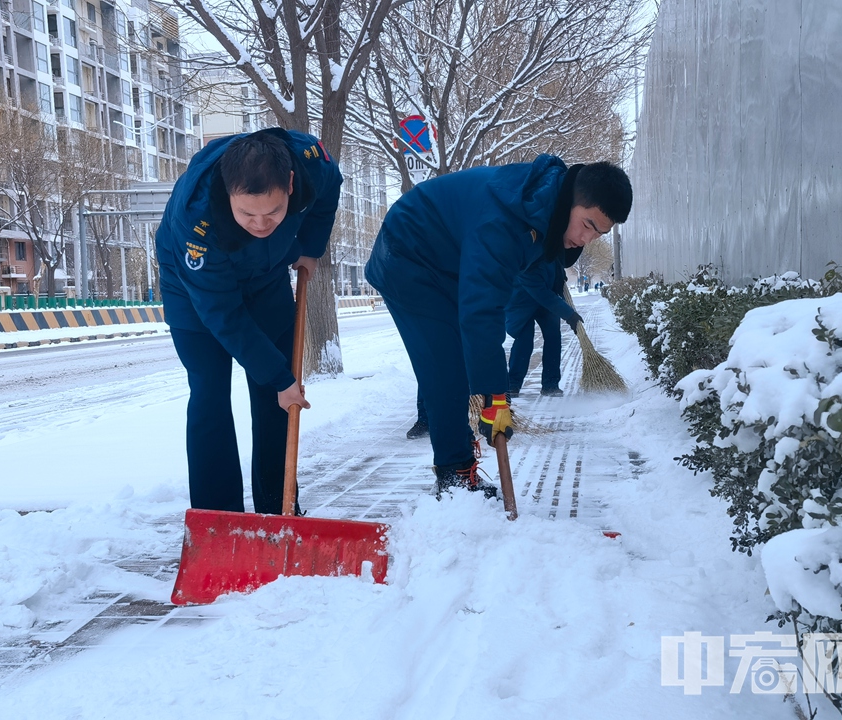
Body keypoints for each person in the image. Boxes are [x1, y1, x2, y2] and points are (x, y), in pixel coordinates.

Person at [365, 160, 631, 496]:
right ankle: (454, 481)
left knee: (461, 362)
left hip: (447, 262)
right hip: (407, 254)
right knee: (446, 368)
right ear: (570, 200)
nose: (586, 239)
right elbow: (482, 310)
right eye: (587, 225)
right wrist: (495, 397)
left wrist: (492, 393)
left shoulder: (540, 209)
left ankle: (459, 472)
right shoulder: (506, 220)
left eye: (598, 234)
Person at [156, 128, 342, 514]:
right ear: (228, 193)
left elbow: (329, 190)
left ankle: (279, 507)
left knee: (278, 400)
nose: (261, 224)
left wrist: (311, 247)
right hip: (195, 292)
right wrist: (279, 376)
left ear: (290, 185)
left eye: (273, 212)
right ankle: (217, 516)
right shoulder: (197, 220)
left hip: (266, 277)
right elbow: (224, 316)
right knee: (210, 393)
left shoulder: (309, 164)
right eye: (247, 214)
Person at [506, 258, 582, 397]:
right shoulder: (527, 253)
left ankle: (550, 384)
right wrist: (569, 314)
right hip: (522, 301)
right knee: (524, 342)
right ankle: (512, 384)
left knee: (553, 339)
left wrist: (559, 277)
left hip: (546, 304)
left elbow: (555, 276)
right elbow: (540, 291)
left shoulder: (553, 251)